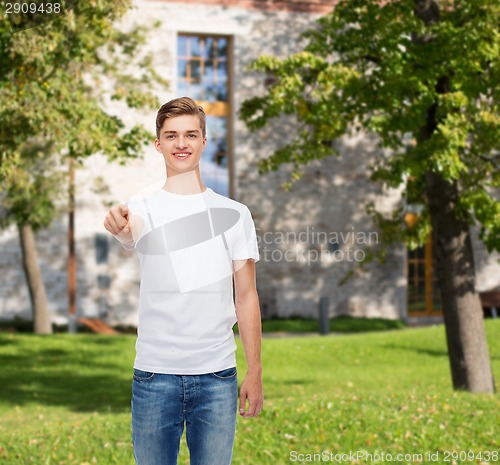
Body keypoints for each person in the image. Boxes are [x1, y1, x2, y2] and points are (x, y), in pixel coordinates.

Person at [103, 97, 263, 465]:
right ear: (158, 144)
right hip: (154, 378)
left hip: (217, 378)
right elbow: (130, 231)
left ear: (204, 141)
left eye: (191, 134)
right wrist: (120, 225)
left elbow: (247, 297)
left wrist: (254, 371)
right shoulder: (142, 208)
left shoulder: (235, 214)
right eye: (171, 135)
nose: (181, 143)